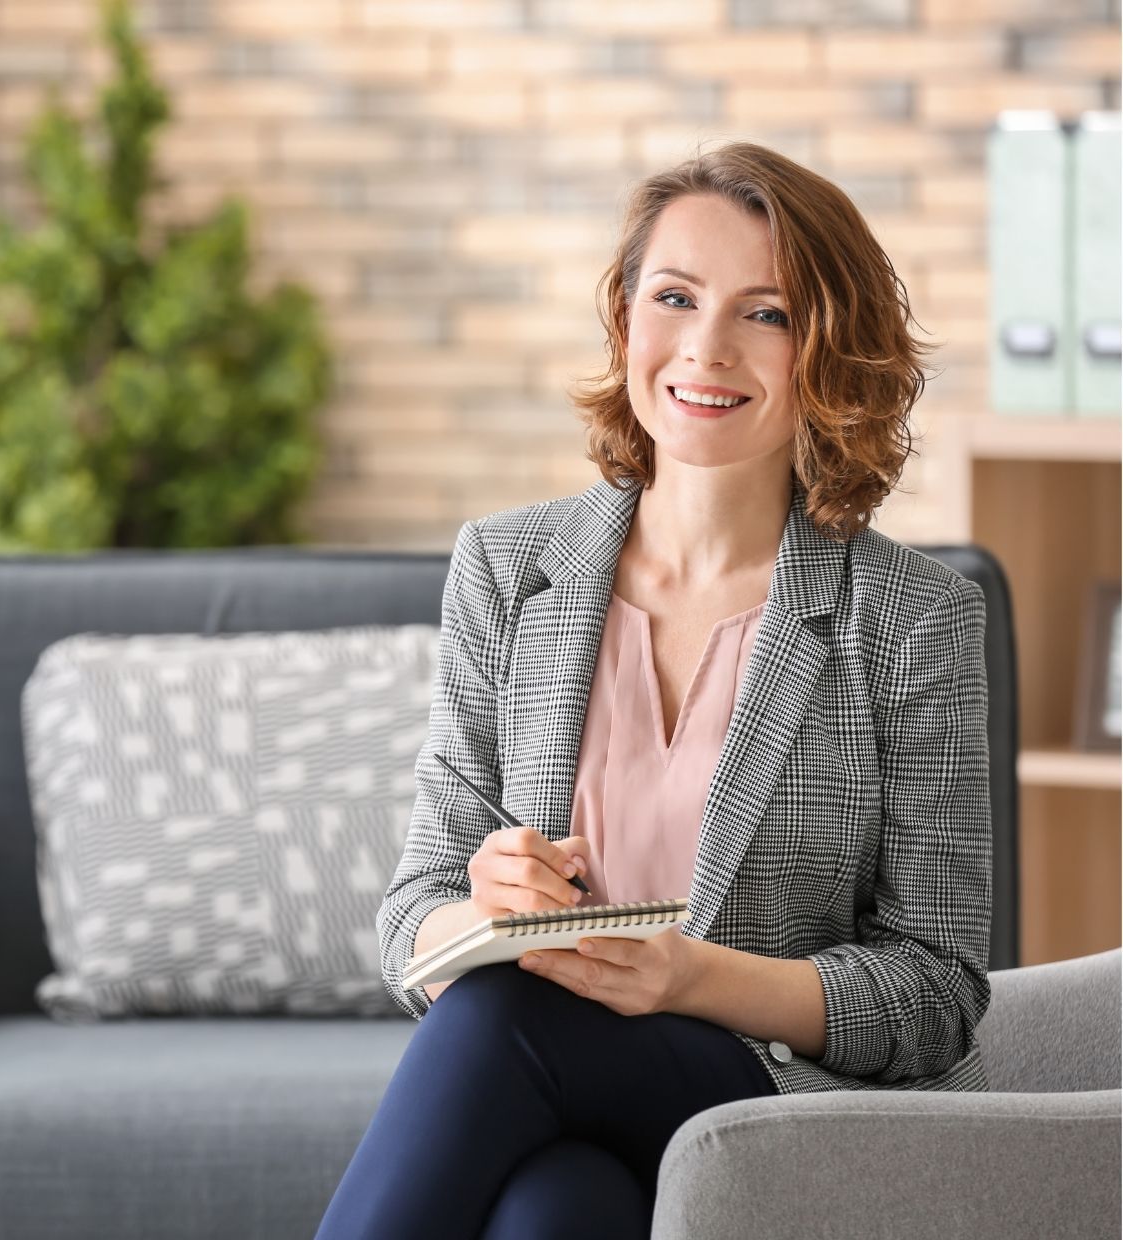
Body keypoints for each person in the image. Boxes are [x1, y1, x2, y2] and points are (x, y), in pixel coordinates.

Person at [314, 140, 992, 1239]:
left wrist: (686, 978)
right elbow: (409, 915)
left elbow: (937, 993)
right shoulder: (504, 568)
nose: (706, 348)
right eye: (673, 297)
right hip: (565, 1100)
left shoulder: (912, 617)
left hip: (773, 1106)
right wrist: (477, 909)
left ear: (826, 350)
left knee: (501, 1018)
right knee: (553, 1211)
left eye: (763, 313)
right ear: (626, 317)